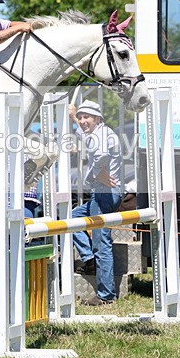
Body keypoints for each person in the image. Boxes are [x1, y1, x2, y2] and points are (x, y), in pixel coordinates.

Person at [69, 100, 124, 306]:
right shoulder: (97, 132)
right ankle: (89, 259)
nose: (83, 121)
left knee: (102, 244)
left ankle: (106, 295)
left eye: (87, 117)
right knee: (73, 218)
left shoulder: (101, 135)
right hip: (102, 192)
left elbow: (101, 155)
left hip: (105, 192)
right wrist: (74, 117)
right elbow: (84, 134)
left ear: (98, 119)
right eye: (81, 117)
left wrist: (95, 175)